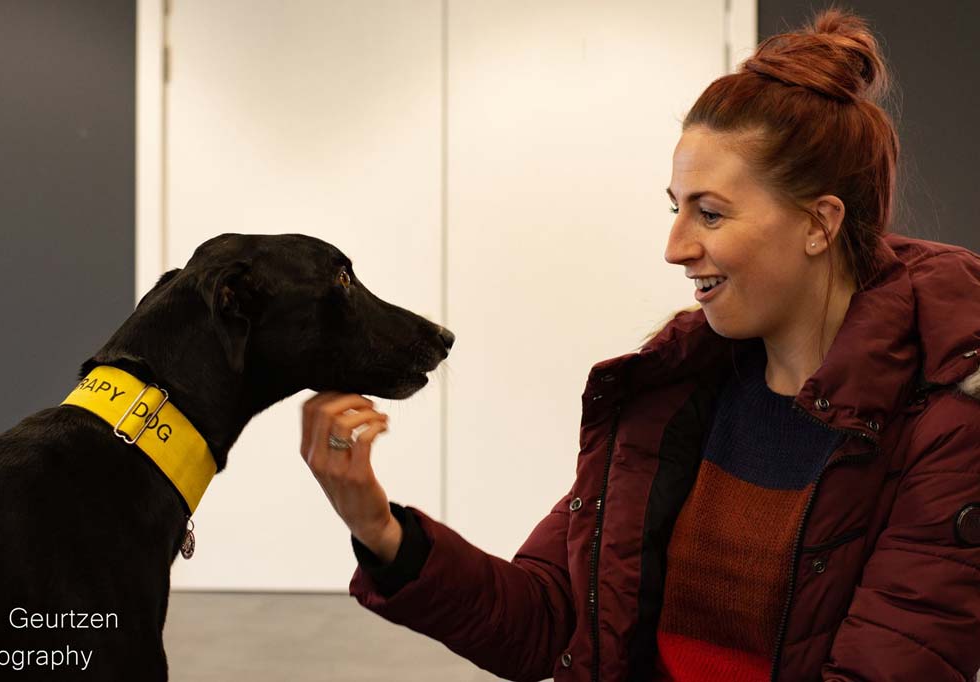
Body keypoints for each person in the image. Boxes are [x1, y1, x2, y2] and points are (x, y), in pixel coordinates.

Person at [300, 9, 980, 682]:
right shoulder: (670, 394)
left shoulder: (945, 427)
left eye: (709, 213)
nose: (676, 247)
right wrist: (379, 526)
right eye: (675, 208)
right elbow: (551, 621)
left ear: (818, 223)